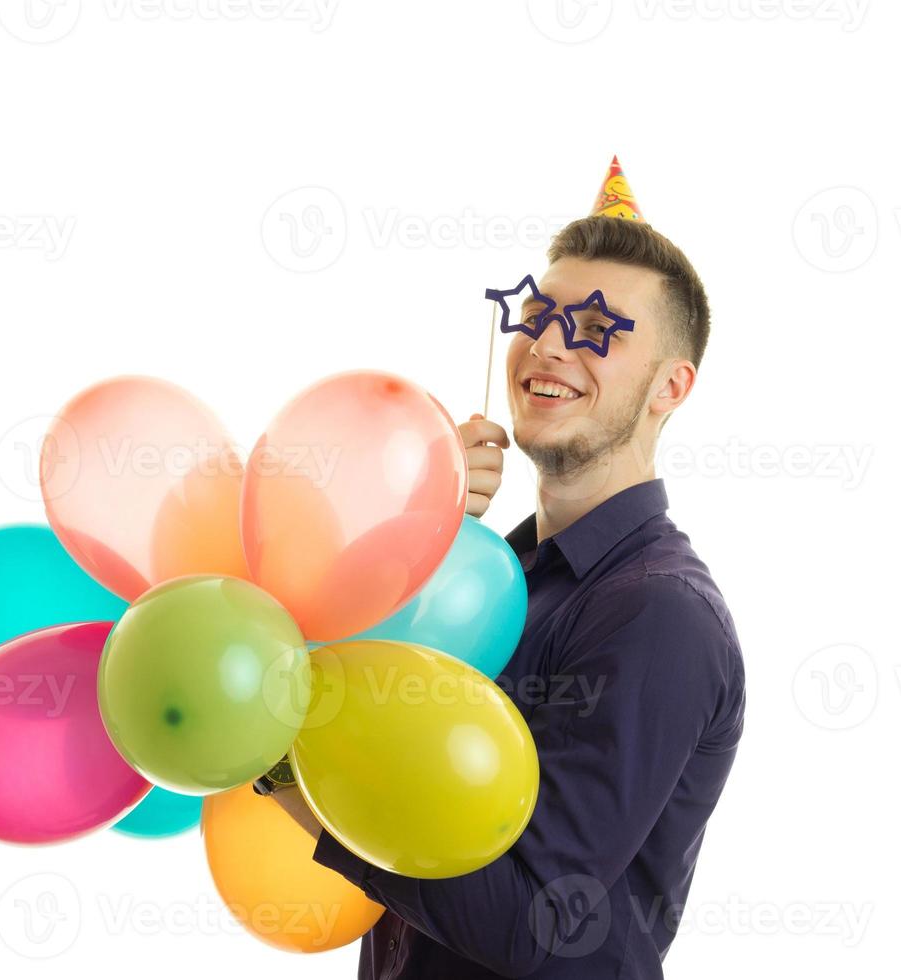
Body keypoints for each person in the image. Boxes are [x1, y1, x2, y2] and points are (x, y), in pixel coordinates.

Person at [268, 165, 746, 978]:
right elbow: (347, 700)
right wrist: (418, 528)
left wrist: (280, 768)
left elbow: (537, 926)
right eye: (539, 315)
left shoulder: (658, 612)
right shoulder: (491, 576)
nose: (550, 345)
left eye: (599, 328)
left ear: (673, 385)